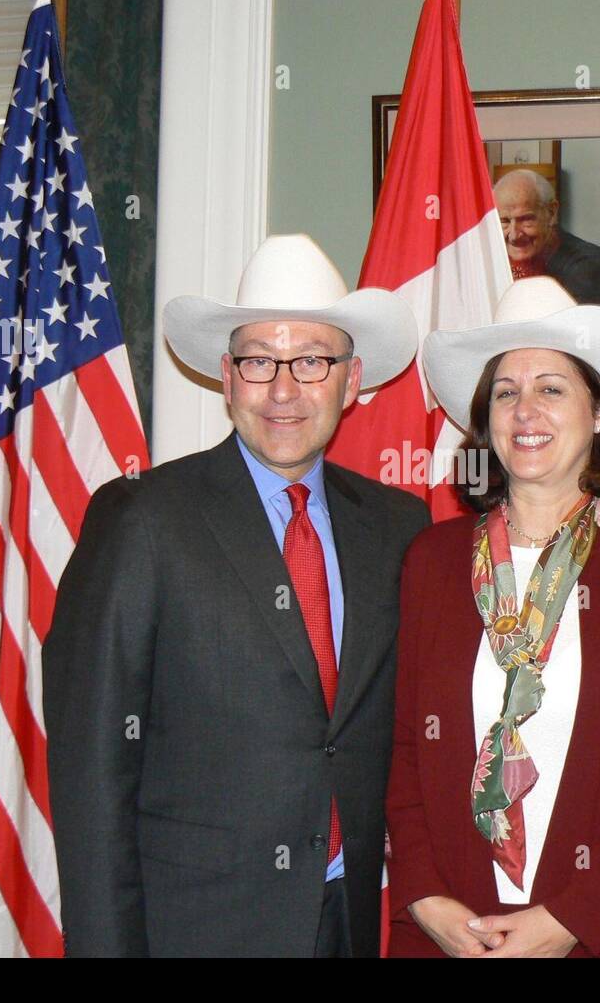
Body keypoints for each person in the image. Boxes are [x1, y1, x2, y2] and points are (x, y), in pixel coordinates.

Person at [43, 234, 431, 957]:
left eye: (312, 360)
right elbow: (92, 777)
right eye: (259, 360)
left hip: (346, 922)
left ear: (351, 382)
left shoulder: (399, 528)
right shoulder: (142, 521)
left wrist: (596, 514)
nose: (284, 389)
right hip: (194, 933)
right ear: (226, 376)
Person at [385, 276, 600, 957]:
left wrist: (570, 918)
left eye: (552, 388)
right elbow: (401, 746)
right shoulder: (432, 560)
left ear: (597, 413)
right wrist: (423, 898)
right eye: (506, 391)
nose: (525, 409)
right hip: (449, 934)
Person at [494, 169, 600, 306]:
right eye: (504, 221)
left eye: (526, 219)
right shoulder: (492, 261)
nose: (514, 235)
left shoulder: (585, 264)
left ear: (551, 212)